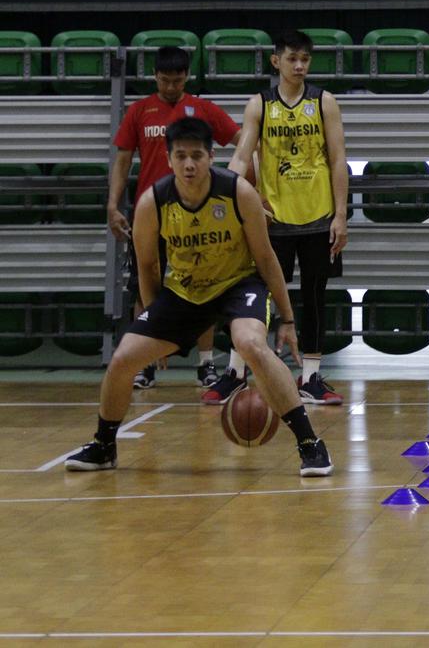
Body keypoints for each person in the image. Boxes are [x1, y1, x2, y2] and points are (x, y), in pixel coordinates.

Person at [66, 118, 333, 476]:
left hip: (238, 284)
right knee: (123, 359)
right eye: (180, 156)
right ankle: (103, 446)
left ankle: (310, 444)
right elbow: (147, 267)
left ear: (211, 156)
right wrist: (156, 324)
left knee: (251, 344)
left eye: (196, 156)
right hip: (185, 292)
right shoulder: (153, 202)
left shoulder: (238, 192)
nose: (189, 164)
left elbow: (266, 258)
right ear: (168, 158)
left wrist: (287, 319)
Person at [209, 30, 349, 406]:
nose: (299, 65)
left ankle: (312, 377)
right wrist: (228, 197)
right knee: (255, 296)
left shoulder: (324, 102)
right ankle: (236, 372)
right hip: (273, 219)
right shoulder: (260, 104)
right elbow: (241, 155)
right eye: (292, 59)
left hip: (319, 216)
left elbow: (339, 160)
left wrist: (341, 215)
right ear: (276, 61)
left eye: (305, 59)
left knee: (315, 298)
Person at [107, 46, 242, 390]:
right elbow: (122, 160)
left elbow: (243, 139)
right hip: (150, 215)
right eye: (165, 80)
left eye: (177, 80)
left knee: (203, 288)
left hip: (196, 216)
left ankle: (207, 365)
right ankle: (146, 363)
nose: (171, 86)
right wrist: (113, 204)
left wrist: (238, 183)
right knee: (145, 284)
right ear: (155, 76)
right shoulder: (139, 111)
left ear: (187, 77)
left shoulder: (203, 110)